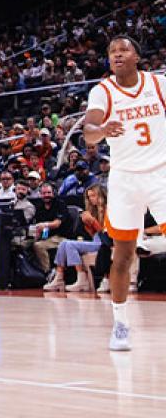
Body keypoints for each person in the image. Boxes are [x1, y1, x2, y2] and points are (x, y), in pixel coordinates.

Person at [82, 36, 166, 351]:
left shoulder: (157, 85)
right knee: (123, 254)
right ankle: (120, 324)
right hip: (124, 179)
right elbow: (89, 133)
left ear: (137, 56)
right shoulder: (102, 92)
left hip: (161, 172)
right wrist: (103, 130)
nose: (118, 55)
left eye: (124, 50)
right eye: (112, 52)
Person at [45, 184, 106, 293]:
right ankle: (59, 278)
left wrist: (93, 222)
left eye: (93, 196)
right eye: (89, 196)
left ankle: (82, 280)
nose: (91, 199)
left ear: (101, 196)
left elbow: (105, 233)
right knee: (64, 243)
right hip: (95, 241)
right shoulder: (93, 210)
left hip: (105, 243)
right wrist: (87, 225)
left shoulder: (108, 210)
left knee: (69, 244)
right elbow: (94, 234)